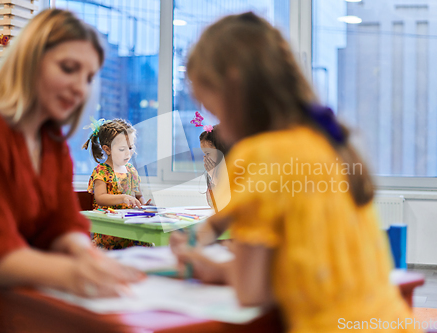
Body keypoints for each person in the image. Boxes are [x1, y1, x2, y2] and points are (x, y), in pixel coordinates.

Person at [171, 12, 420, 332]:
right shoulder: (325, 143)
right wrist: (210, 252)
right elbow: (291, 261)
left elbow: (251, 291)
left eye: (210, 105)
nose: (211, 118)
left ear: (233, 84)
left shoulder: (258, 154)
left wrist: (210, 267)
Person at [0, 9, 143, 298]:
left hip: (27, 299)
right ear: (30, 62)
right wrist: (74, 272)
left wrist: (87, 256)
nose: (80, 87)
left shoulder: (52, 143)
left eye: (88, 77)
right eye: (68, 68)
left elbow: (64, 223)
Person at [83, 118, 152, 249]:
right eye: (122, 149)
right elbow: (100, 198)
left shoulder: (131, 170)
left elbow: (139, 196)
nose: (128, 153)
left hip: (129, 226)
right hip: (109, 230)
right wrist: (123, 198)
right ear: (107, 149)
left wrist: (144, 206)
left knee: (147, 242)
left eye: (131, 147)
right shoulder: (102, 171)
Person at [199, 125, 228, 209]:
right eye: (204, 154)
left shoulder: (232, 170)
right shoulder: (215, 172)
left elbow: (225, 203)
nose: (205, 158)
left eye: (208, 153)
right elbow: (212, 203)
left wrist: (215, 178)